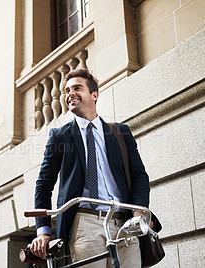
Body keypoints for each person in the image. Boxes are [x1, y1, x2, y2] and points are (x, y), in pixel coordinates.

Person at [30, 68, 151, 267]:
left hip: (125, 223)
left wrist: (139, 214)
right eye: (67, 91)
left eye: (77, 88)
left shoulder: (120, 132)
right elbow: (43, 185)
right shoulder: (60, 136)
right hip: (85, 223)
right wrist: (42, 232)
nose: (70, 94)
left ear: (94, 95)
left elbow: (139, 175)